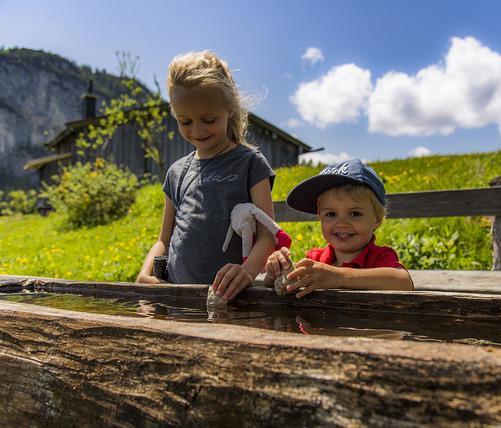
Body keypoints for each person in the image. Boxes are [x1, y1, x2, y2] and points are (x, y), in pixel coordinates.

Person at [137, 51, 275, 303]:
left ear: (230, 108)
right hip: (179, 299)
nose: (197, 130)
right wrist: (144, 274)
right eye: (185, 121)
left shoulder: (250, 164)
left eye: (208, 119)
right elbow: (163, 240)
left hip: (232, 298)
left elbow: (268, 236)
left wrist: (247, 271)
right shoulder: (176, 173)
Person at [265, 159, 414, 297]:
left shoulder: (379, 257)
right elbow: (280, 286)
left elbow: (404, 282)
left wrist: (338, 276)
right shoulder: (315, 258)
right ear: (320, 216)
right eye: (331, 214)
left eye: (355, 213)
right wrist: (276, 273)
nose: (342, 223)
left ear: (376, 219)